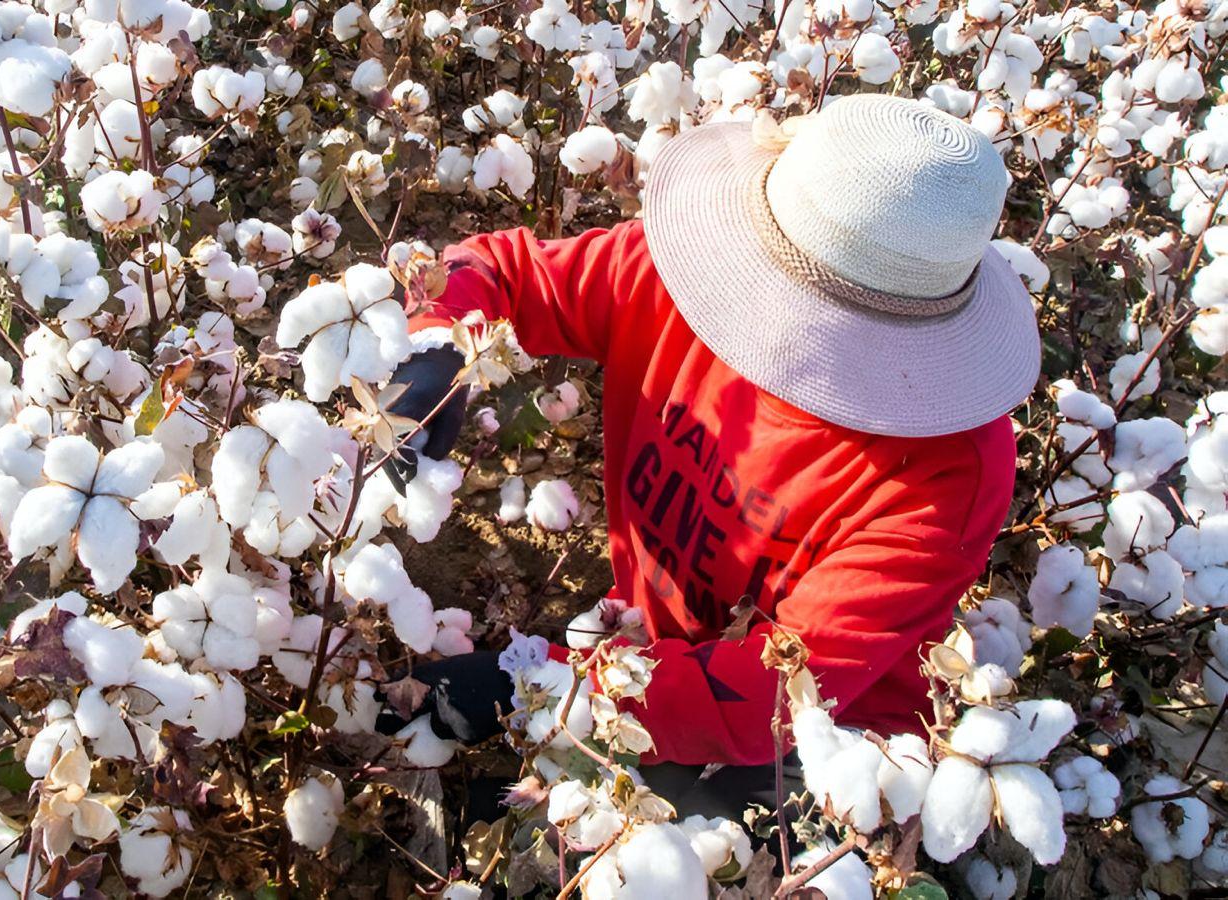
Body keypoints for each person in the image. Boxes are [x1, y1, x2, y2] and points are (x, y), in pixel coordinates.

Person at [374, 94, 1041, 819]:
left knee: (654, 842)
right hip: (654, 646)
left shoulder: (945, 478)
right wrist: (434, 345)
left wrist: (540, 686)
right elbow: (502, 270)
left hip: (826, 737)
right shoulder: (679, 278)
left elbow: (773, 695)